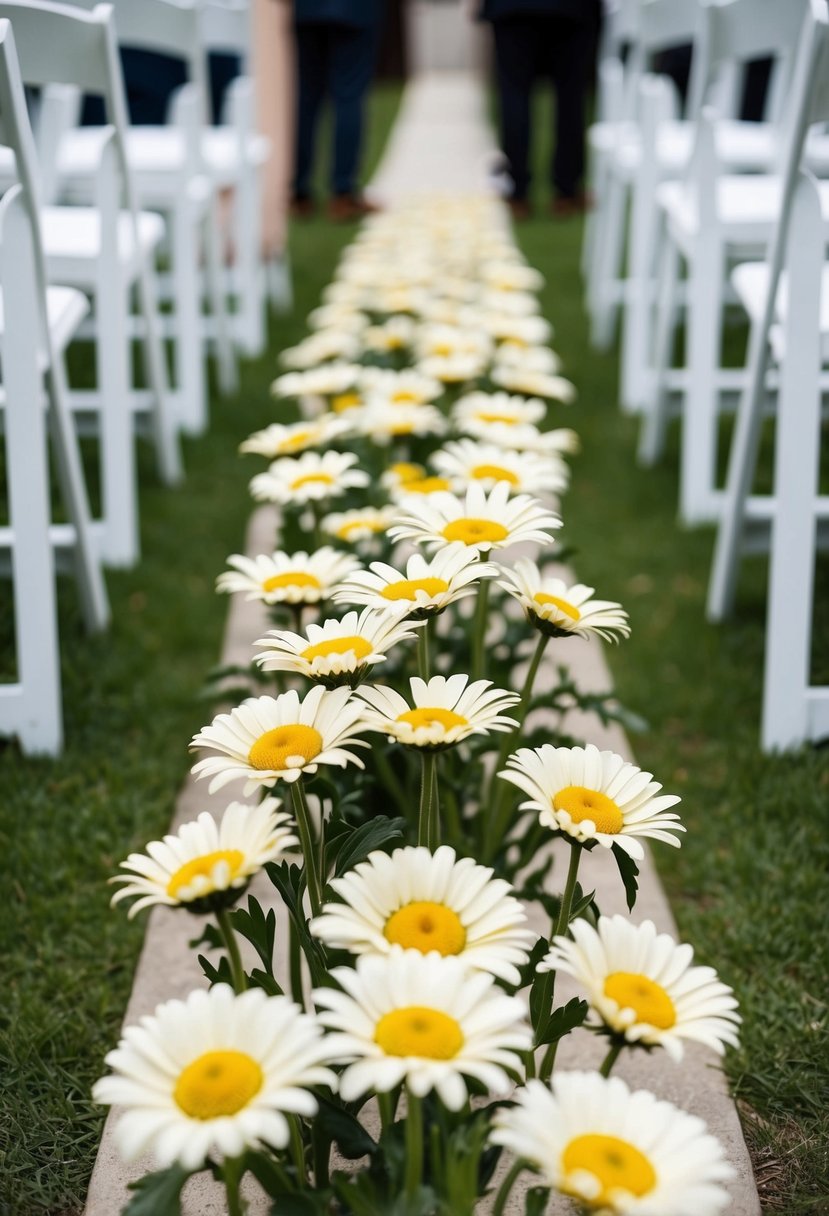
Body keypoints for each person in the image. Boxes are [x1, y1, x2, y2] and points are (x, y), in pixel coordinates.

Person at [479, 0, 601, 218]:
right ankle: (567, 191)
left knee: (514, 95)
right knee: (570, 96)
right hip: (570, 9)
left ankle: (517, 193)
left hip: (513, 8)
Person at [291, 0, 383, 221]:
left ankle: (300, 193)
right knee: (349, 94)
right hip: (354, 9)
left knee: (307, 96)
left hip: (308, 9)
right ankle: (343, 193)